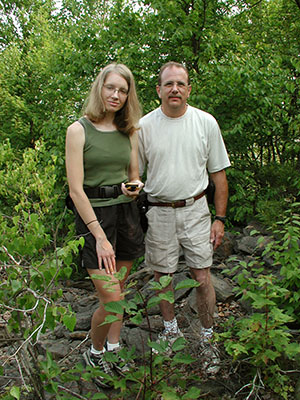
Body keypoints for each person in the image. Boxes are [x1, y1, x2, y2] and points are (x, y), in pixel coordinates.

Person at [138, 61, 230, 374]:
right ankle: (170, 331)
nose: (175, 89)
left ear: (189, 89)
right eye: (169, 84)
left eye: (181, 84)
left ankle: (207, 337)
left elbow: (219, 176)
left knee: (202, 277)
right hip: (159, 211)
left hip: (196, 211)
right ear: (159, 90)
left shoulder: (206, 123)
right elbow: (134, 175)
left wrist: (219, 219)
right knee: (162, 278)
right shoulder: (144, 126)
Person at [65, 63, 144, 387]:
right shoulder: (78, 130)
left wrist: (133, 186)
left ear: (128, 96)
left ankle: (113, 348)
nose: (116, 95)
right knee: (111, 298)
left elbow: (134, 175)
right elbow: (75, 190)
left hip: (126, 217)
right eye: (111, 88)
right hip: (94, 221)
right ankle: (95, 352)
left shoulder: (130, 131)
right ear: (100, 88)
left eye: (123, 90)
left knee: (119, 293)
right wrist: (98, 235)